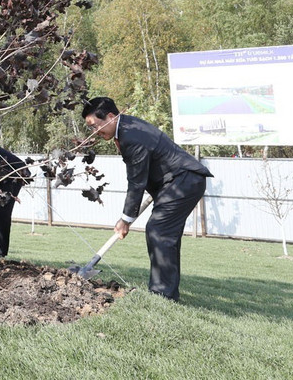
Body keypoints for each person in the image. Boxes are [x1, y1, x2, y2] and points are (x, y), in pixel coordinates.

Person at [82, 96, 213, 301]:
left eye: (95, 125)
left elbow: (136, 181)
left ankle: (162, 295)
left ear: (110, 117)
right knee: (164, 233)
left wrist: (125, 219)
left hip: (183, 181)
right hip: (175, 182)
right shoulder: (127, 127)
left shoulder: (131, 135)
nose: (94, 132)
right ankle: (166, 292)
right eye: (90, 128)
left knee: (159, 229)